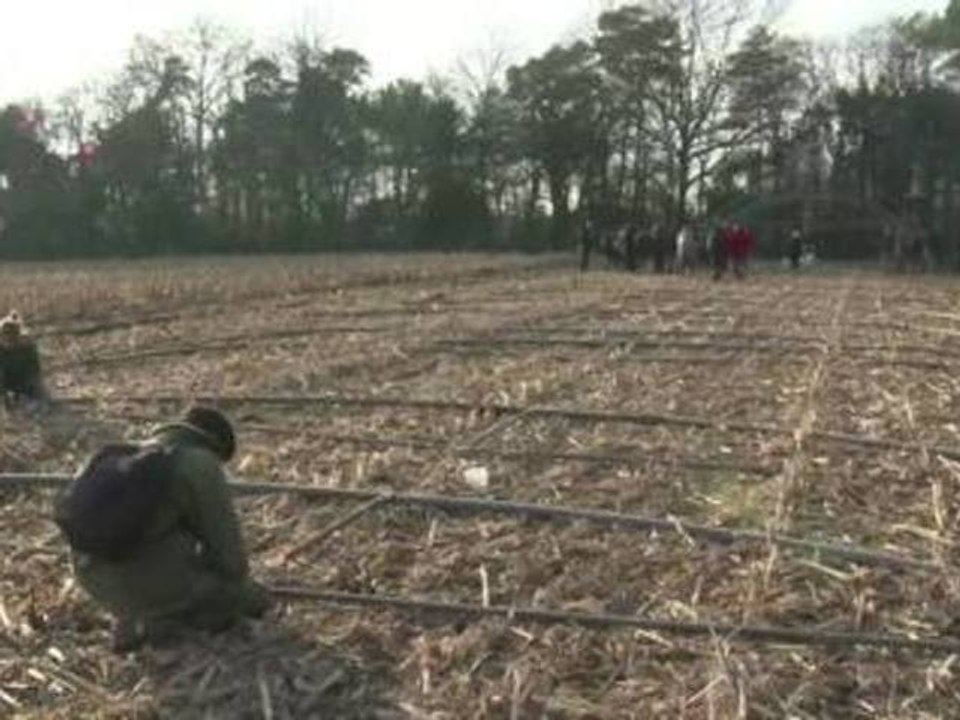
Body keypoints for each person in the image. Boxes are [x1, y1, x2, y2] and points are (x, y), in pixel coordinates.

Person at [61, 406, 271, 652]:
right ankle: (165, 619)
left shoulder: (115, 455)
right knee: (251, 598)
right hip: (150, 582)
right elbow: (232, 563)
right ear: (214, 447)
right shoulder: (198, 462)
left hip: (91, 580)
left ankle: (137, 614)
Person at [0, 310, 46, 408]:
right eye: (5, 336)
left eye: (11, 337)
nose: (8, 341)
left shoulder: (27, 347)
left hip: (23, 379)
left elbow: (35, 370)